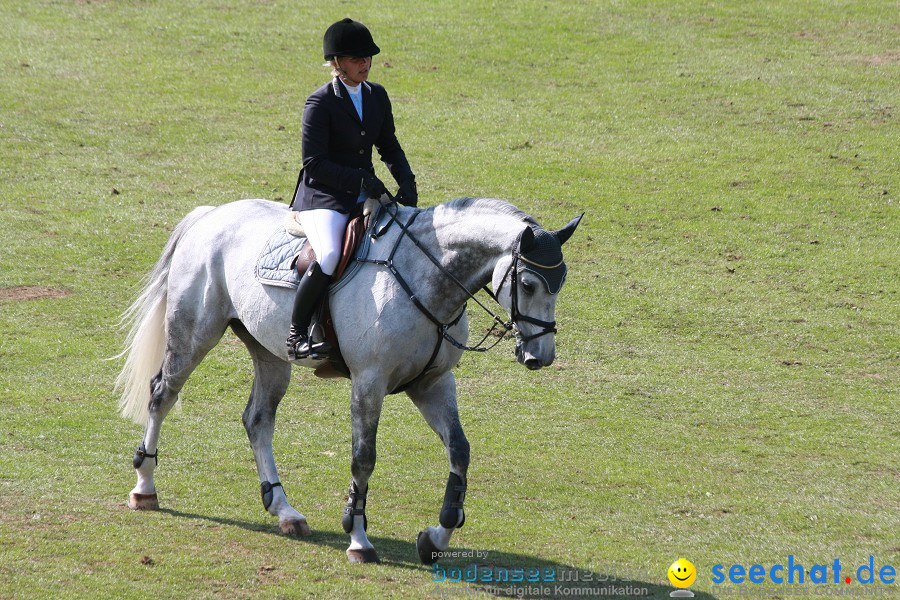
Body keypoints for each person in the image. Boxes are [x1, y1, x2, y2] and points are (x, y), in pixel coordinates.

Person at [287, 18, 418, 360]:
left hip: (364, 193)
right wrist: (362, 181)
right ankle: (296, 333)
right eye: (356, 58)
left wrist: (406, 179)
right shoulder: (320, 103)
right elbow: (314, 163)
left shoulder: (376, 95)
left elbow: (388, 145)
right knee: (329, 254)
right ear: (337, 63)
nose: (365, 63)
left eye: (368, 57)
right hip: (323, 196)